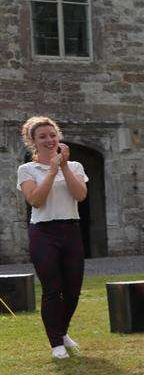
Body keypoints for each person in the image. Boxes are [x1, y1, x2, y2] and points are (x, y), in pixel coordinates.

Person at [16, 116, 87, 360]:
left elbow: (80, 195)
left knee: (73, 289)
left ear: (58, 136)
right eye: (42, 137)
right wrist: (52, 169)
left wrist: (64, 167)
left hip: (71, 229)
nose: (49, 140)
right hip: (43, 232)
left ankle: (62, 331)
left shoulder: (75, 167)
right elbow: (36, 200)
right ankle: (56, 342)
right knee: (52, 289)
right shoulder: (27, 169)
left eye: (52, 135)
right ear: (33, 142)